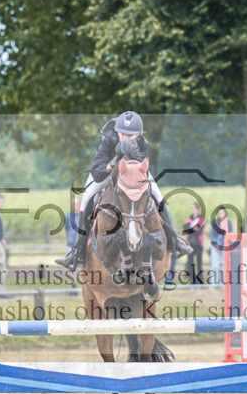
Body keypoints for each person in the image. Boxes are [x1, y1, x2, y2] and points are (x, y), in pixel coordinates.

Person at [56, 111, 192, 270]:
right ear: (117, 132)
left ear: (139, 134)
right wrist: (112, 163)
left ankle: (174, 241)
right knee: (86, 200)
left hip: (134, 175)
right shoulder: (108, 141)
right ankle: (77, 251)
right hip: (106, 175)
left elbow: (141, 166)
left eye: (131, 136)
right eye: (123, 134)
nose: (126, 138)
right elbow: (97, 173)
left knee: (158, 196)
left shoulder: (143, 143)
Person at [209, 207, 232, 288]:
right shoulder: (214, 223)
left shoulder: (228, 223)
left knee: (225, 266)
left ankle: (224, 284)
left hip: (224, 247)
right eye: (219, 212)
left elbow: (230, 235)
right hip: (215, 247)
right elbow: (212, 235)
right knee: (214, 265)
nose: (221, 214)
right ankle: (213, 284)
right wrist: (216, 245)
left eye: (222, 212)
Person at [183, 202, 205, 284]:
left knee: (199, 263)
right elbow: (185, 229)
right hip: (190, 244)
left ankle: (200, 280)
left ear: (198, 209)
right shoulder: (189, 218)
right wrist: (193, 228)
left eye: (195, 209)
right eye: (192, 209)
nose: (193, 210)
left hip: (198, 244)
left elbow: (199, 231)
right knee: (191, 263)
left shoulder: (201, 219)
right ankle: (192, 280)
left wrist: (191, 228)